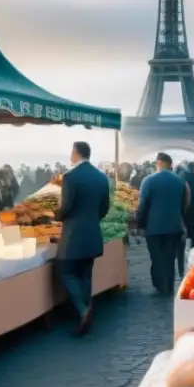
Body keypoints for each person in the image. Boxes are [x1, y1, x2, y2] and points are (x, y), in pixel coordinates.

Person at [55, 141, 110, 336]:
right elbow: (105, 207)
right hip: (93, 232)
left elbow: (67, 205)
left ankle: (82, 310)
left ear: (76, 153)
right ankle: (87, 312)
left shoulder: (70, 177)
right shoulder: (101, 177)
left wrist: (56, 216)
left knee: (67, 273)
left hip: (73, 234)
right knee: (86, 273)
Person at [135, 152, 190, 296]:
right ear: (170, 164)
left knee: (157, 256)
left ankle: (161, 285)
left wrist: (139, 223)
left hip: (154, 226)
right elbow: (185, 203)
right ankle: (170, 284)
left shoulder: (148, 180)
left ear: (158, 162)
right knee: (170, 256)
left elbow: (142, 205)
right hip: (175, 225)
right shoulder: (180, 180)